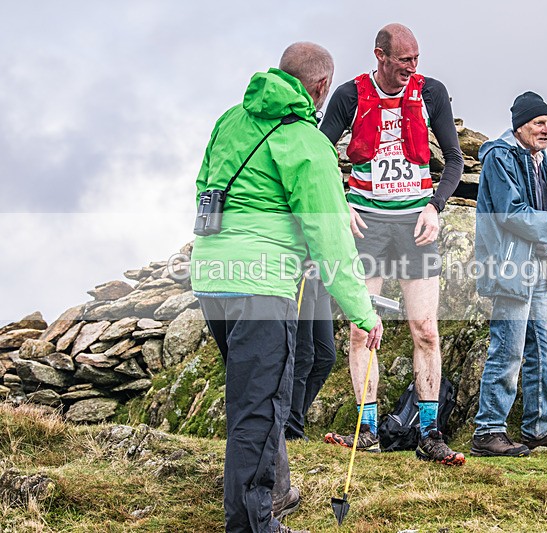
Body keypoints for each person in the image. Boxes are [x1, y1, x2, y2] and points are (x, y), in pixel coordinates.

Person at [191, 42, 383, 533]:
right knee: (258, 407)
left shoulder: (230, 120)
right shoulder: (306, 141)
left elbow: (203, 187)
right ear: (320, 88)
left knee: (257, 396)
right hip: (262, 284)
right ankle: (254, 523)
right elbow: (330, 237)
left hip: (212, 277)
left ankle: (275, 489)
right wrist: (364, 312)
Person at [319, 23, 465, 466]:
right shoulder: (350, 94)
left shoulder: (431, 92)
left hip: (414, 224)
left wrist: (435, 207)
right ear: (380, 55)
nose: (411, 67)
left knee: (426, 329)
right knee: (363, 329)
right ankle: (367, 433)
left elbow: (455, 158)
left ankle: (430, 433)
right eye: (404, 60)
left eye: (416, 59)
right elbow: (320, 153)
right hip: (367, 224)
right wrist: (341, 202)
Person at [469, 92, 547, 457]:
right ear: (520, 125)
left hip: (537, 269)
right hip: (510, 267)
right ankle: (487, 431)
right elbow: (512, 213)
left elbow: (543, 212)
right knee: (507, 351)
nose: (546, 130)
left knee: (544, 349)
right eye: (539, 123)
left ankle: (538, 428)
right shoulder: (500, 158)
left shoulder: (538, 159)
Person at [285, 274, 336, 441]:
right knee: (303, 354)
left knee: (326, 357)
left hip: (323, 279)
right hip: (304, 272)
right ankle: (291, 430)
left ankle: (288, 420)